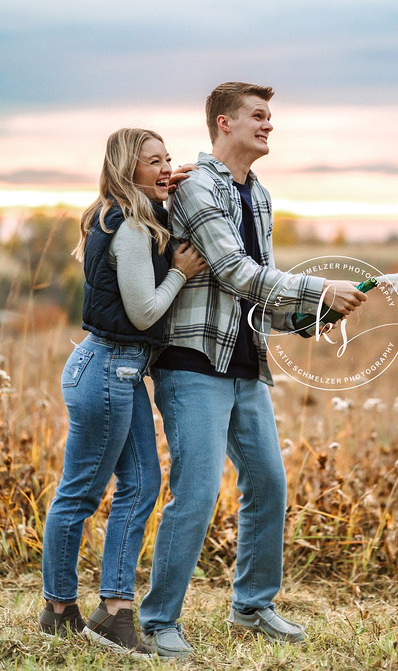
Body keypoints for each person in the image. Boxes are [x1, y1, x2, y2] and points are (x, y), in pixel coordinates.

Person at [138, 82, 367, 658]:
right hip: (193, 362)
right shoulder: (194, 187)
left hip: (245, 362)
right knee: (195, 491)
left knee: (267, 482)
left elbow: (259, 285)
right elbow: (235, 271)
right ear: (224, 123)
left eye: (270, 118)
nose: (269, 126)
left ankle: (252, 606)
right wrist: (319, 286)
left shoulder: (259, 194)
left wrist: (305, 314)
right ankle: (158, 619)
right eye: (259, 117)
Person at [39, 128, 206, 658]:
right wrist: (179, 272)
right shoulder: (130, 227)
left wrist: (169, 186)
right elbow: (145, 312)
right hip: (108, 367)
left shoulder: (113, 213)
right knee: (82, 493)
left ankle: (114, 611)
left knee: (140, 484)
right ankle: (60, 607)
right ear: (124, 168)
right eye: (152, 161)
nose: (164, 168)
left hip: (117, 368)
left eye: (168, 159)